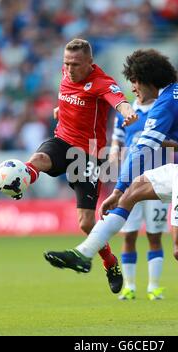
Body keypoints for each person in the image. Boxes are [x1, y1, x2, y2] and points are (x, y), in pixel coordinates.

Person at [45, 49, 178, 325]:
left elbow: (141, 151)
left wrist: (117, 188)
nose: (131, 87)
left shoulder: (164, 104)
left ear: (147, 80)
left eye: (134, 80)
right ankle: (83, 254)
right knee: (135, 191)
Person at [23, 39, 137, 294]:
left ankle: (110, 263)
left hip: (88, 154)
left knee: (86, 222)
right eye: (66, 63)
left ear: (89, 63)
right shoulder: (66, 74)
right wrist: (60, 109)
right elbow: (70, 98)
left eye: (75, 64)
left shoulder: (101, 82)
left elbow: (118, 100)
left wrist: (127, 110)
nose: (70, 68)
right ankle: (18, 183)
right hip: (62, 140)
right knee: (36, 161)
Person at [110, 95, 170, 301]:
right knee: (129, 235)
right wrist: (114, 152)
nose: (136, 88)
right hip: (130, 183)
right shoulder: (124, 113)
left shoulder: (161, 110)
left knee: (154, 236)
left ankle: (154, 287)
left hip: (157, 183)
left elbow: (171, 141)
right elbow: (117, 139)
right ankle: (130, 286)